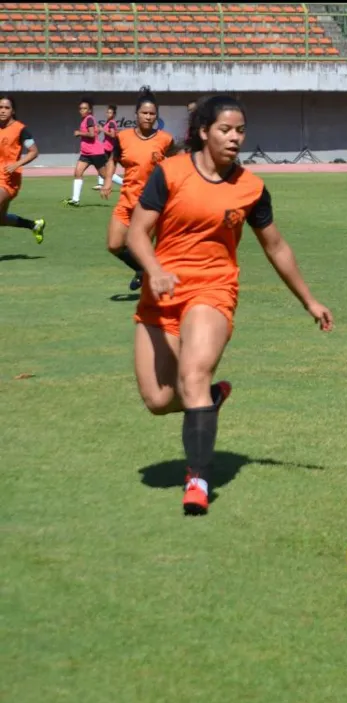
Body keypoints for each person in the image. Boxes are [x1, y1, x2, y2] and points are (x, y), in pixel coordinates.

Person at [125, 94, 334, 516]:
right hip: (160, 295)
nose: (235, 138)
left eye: (240, 131)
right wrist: (154, 269)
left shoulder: (251, 188)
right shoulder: (170, 173)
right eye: (226, 130)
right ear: (204, 132)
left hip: (213, 291)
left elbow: (276, 248)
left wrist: (309, 300)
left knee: (194, 374)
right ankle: (211, 400)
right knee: (157, 401)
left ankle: (198, 480)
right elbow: (135, 234)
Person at [100, 86, 176, 292]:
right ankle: (143, 271)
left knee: (141, 248)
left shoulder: (165, 140)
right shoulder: (123, 137)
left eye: (152, 114)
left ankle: (151, 281)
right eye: (144, 113)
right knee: (114, 245)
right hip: (126, 200)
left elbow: (179, 164)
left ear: (156, 116)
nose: (148, 117)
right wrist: (108, 181)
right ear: (136, 114)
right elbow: (112, 159)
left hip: (151, 205)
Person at [0, 95, 46, 244]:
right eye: (0, 107)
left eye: (7, 108)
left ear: (13, 111)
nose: (2, 111)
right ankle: (33, 225)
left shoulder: (21, 129)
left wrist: (17, 164)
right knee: (1, 219)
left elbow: (34, 151)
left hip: (9, 179)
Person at [64, 97, 109, 207]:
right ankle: (75, 200)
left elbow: (92, 134)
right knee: (77, 173)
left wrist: (79, 133)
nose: (82, 110)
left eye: (85, 108)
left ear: (89, 110)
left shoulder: (89, 119)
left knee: (106, 176)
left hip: (96, 153)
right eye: (80, 108)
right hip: (86, 154)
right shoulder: (85, 120)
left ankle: (127, 186)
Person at [97, 104, 125, 191]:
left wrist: (102, 130)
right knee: (101, 166)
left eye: (110, 113)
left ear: (113, 114)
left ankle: (124, 183)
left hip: (109, 149)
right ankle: (100, 184)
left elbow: (112, 135)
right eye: (107, 112)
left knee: (106, 169)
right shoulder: (108, 122)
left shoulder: (112, 123)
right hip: (106, 148)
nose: (108, 114)